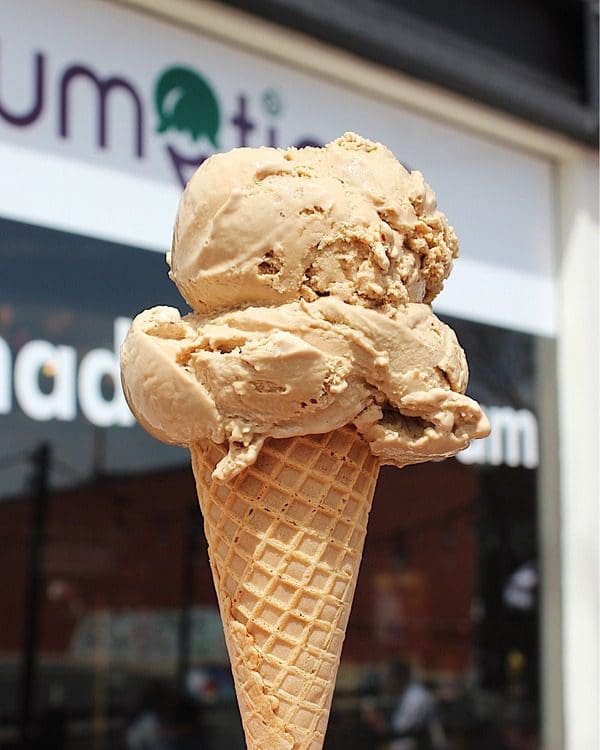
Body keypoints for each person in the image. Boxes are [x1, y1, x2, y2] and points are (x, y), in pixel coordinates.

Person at [361, 660, 447, 750]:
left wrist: (375, 720)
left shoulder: (416, 699)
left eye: (385, 677)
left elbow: (402, 740)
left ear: (397, 679)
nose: (382, 682)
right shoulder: (406, 694)